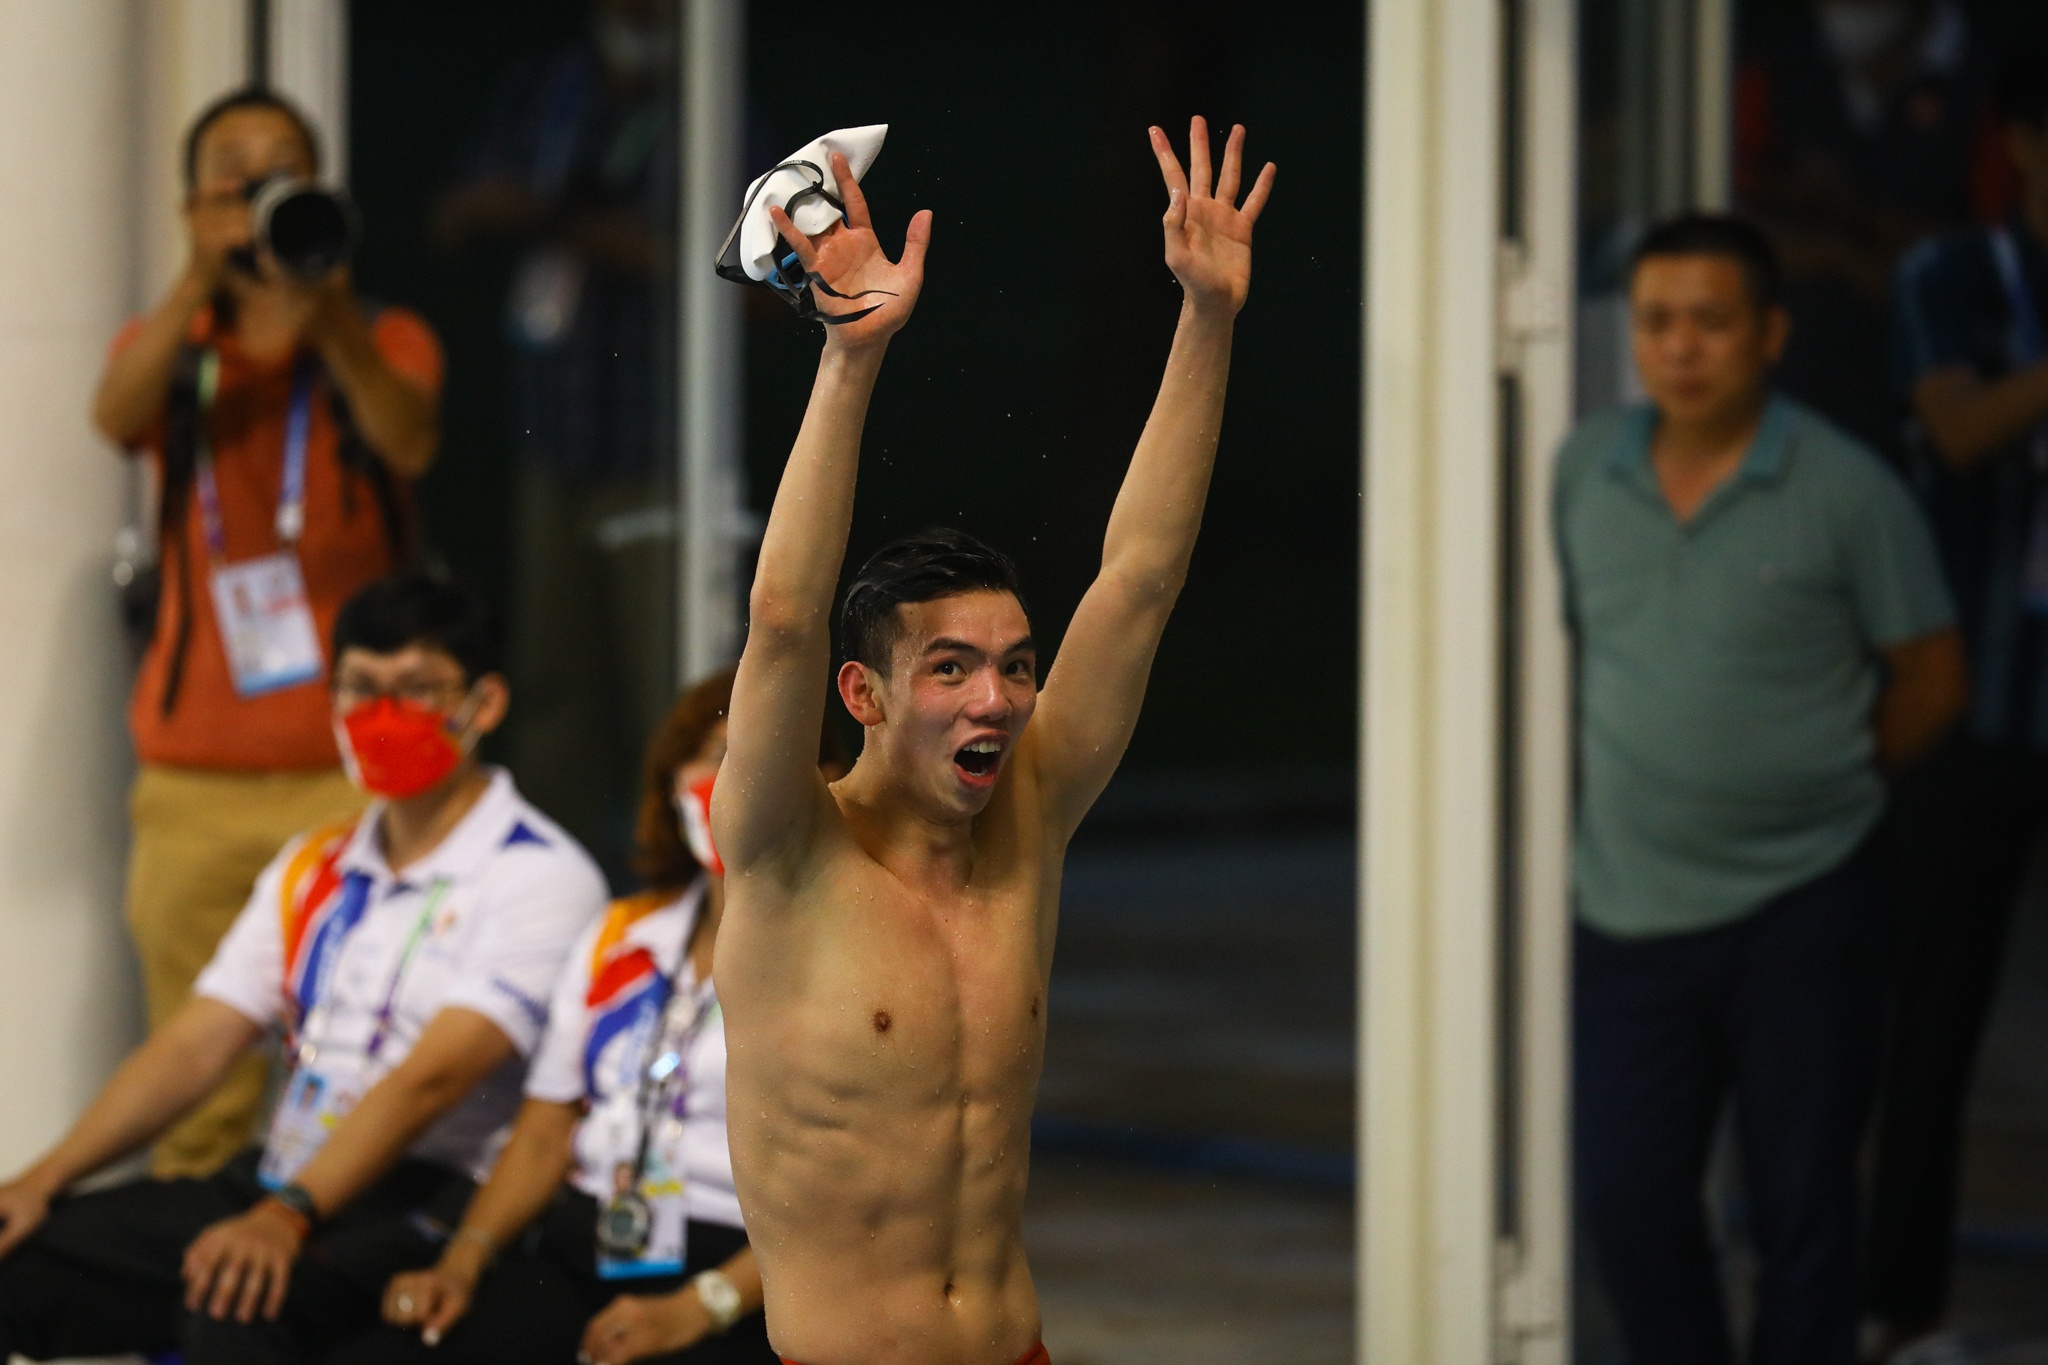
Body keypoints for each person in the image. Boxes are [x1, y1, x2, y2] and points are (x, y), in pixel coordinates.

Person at [711, 117, 1272, 1365]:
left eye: (1014, 669)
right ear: (859, 694)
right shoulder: (782, 847)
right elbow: (785, 619)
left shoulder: (1030, 815)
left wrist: (1206, 318)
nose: (998, 702)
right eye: (950, 671)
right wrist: (850, 364)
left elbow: (1136, 579)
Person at [0, 573, 606, 1365]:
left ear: (484, 705)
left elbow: (432, 1080)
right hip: (282, 1172)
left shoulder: (540, 873)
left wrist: (288, 1214)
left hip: (422, 1195)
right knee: (22, 1262)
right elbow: (198, 1042)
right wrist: (42, 1178)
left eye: (417, 688)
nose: (383, 714)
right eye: (360, 687)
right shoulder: (315, 862)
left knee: (236, 1301)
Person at [1554, 214, 1965, 1365]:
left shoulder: (1846, 488)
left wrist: (1825, 782)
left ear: (1769, 333)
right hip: (1627, 918)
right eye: (1654, 323)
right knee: (1629, 1207)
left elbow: (1931, 677)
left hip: (1805, 907)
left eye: (1710, 321)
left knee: (1802, 1216)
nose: (1679, 347)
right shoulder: (1581, 475)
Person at [92, 87, 446, 1177]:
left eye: (280, 172)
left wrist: (323, 310)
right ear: (196, 205)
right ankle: (185, 1340)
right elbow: (114, 415)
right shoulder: (180, 351)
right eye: (231, 181)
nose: (258, 196)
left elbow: (408, 438)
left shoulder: (380, 336)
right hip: (192, 779)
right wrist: (203, 276)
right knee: (195, 1098)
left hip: (358, 772)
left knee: (362, 1076)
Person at [359, 666, 828, 1365]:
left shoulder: (849, 956)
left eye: (762, 751)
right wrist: (463, 1258)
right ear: (671, 783)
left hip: (751, 1270)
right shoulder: (622, 936)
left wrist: (702, 1306)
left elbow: (855, 1197)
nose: (731, 777)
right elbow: (546, 1131)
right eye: (711, 752)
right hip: (590, 1241)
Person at [1872, 47, 2048, 1364]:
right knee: (1931, 1021)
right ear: (2024, 146)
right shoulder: (1955, 277)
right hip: (1977, 705)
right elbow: (1962, 424)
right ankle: (1907, 1306)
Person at [433, 0, 683, 873]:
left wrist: (562, 219)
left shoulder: (709, 103)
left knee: (670, 678)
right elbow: (456, 211)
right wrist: (526, 212)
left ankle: (675, 883)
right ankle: (557, 881)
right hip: (553, 438)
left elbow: (733, 264)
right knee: (551, 684)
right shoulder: (545, 91)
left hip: (661, 450)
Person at [1734, 0, 1997, 456]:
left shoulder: (1988, 76)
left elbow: (2002, 242)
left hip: (1937, 406)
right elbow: (1721, 218)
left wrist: (1863, 222)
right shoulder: (1780, 62)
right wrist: (1842, 255)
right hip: (1791, 405)